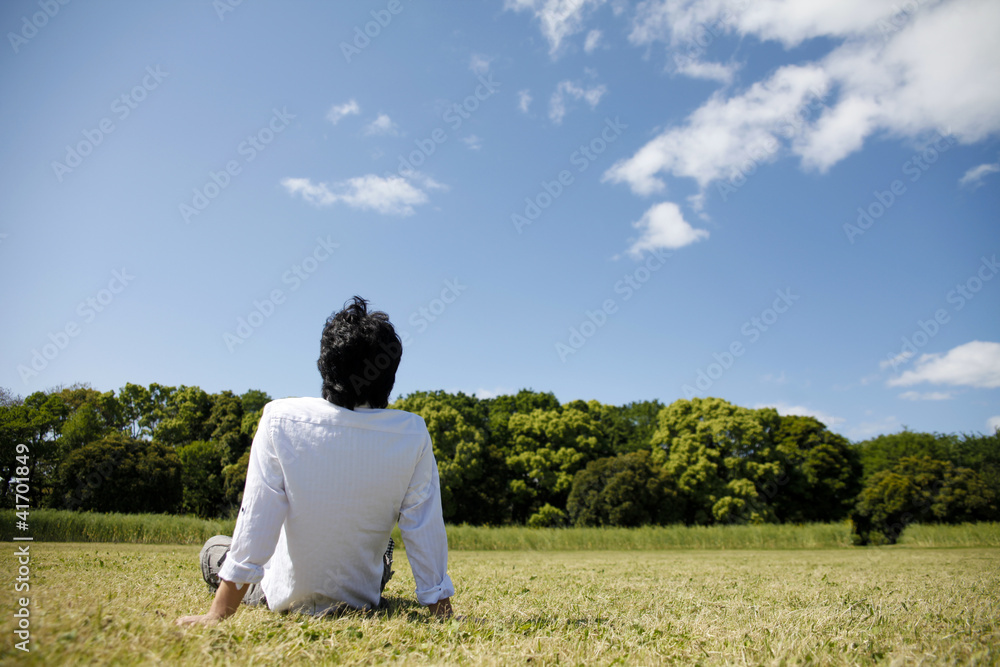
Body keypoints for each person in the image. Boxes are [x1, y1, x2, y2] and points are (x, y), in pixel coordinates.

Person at [177, 296, 454, 625]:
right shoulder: (412, 433)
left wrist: (218, 614)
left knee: (214, 547)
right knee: (385, 545)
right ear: (389, 377)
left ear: (325, 366)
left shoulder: (279, 418)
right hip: (362, 595)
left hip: (282, 594)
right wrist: (444, 617)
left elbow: (257, 521)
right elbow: (423, 528)